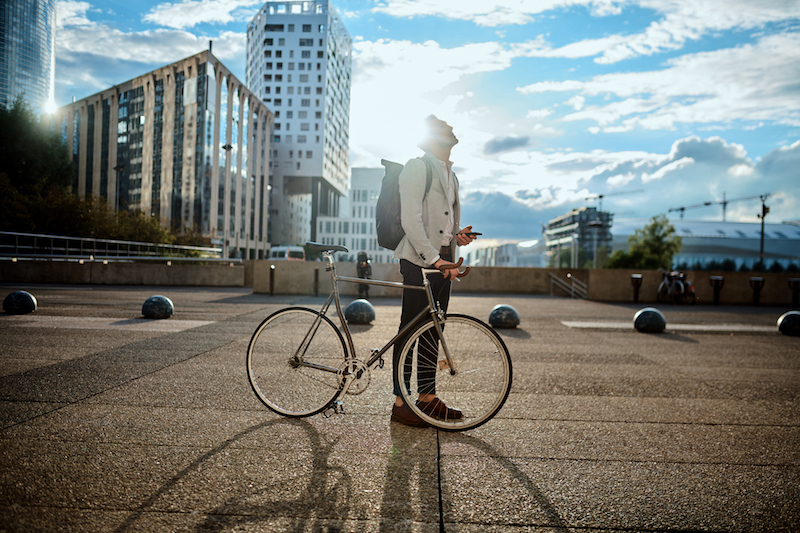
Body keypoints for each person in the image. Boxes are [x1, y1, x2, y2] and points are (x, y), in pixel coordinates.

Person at [390, 115, 478, 427]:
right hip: (418, 260)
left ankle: (426, 398)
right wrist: (434, 259)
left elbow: (440, 223)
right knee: (410, 328)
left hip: (443, 261)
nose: (449, 126)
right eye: (442, 124)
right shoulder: (418, 167)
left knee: (433, 328)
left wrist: (457, 237)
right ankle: (401, 402)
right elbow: (411, 221)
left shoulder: (451, 176)